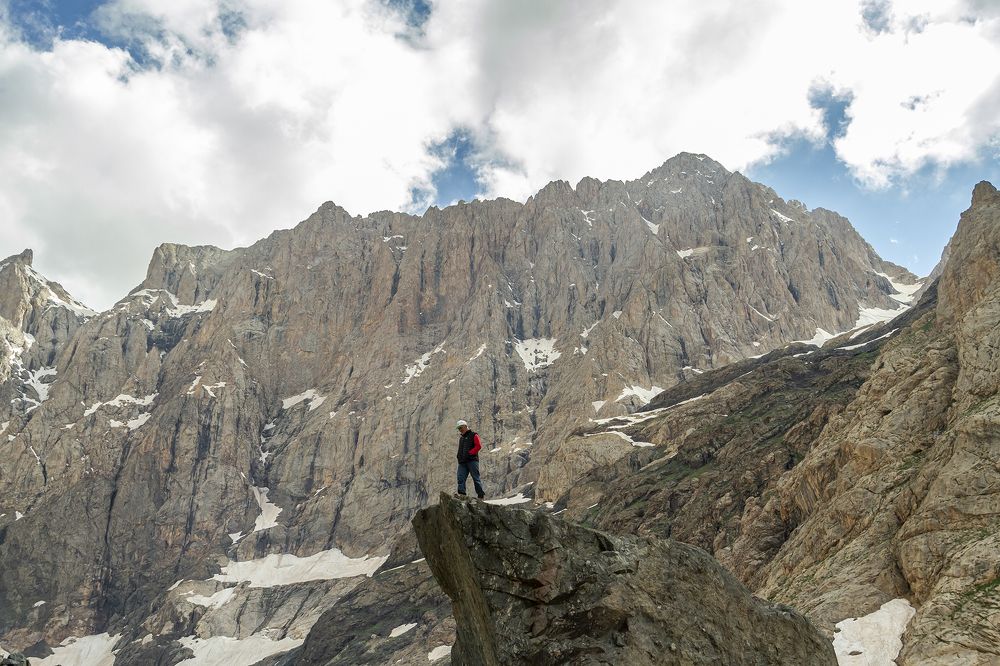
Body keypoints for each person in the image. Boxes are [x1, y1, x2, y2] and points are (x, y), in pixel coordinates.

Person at [454, 419, 485, 500]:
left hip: (472, 461)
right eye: (458, 428)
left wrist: (470, 453)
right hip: (462, 462)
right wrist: (459, 456)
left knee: (476, 478)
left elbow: (478, 446)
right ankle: (462, 494)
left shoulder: (474, 435)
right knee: (460, 477)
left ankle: (480, 495)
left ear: (465, 426)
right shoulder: (461, 438)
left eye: (461, 427)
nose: (460, 429)